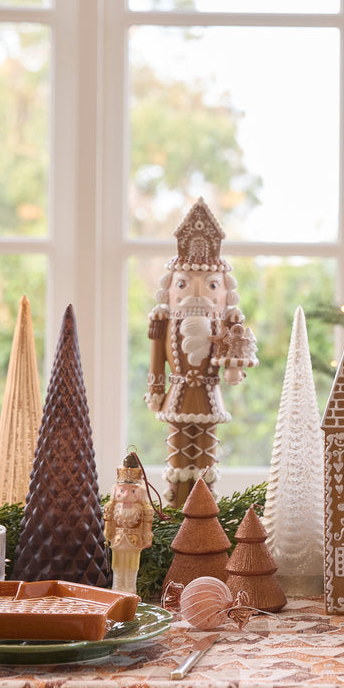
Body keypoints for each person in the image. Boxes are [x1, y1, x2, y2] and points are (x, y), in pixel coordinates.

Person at [145, 198, 257, 508]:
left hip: (209, 395)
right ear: (170, 289)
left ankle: (204, 513)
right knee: (179, 453)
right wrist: (155, 389)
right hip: (178, 394)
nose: (196, 293)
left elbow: (232, 355)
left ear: (223, 292)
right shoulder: (163, 321)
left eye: (209, 285)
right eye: (183, 284)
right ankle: (178, 506)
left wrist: (234, 367)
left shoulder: (227, 324)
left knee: (206, 454)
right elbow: (157, 358)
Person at [105, 452, 156, 596]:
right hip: (118, 539)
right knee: (118, 567)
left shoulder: (143, 507)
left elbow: (147, 522)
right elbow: (109, 520)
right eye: (122, 491)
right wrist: (107, 532)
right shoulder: (114, 505)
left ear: (139, 492)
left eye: (132, 491)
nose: (126, 495)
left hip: (134, 539)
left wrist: (147, 537)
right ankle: (117, 590)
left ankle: (130, 592)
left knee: (132, 567)